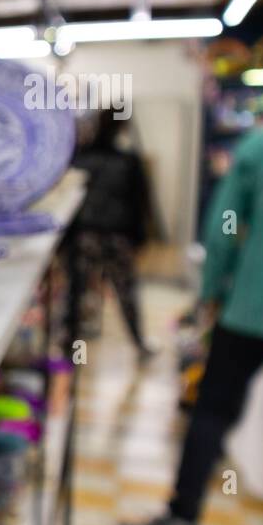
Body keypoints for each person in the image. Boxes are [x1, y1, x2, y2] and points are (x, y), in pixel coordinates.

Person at [121, 121, 263, 525]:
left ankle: (182, 520)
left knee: (212, 410)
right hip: (255, 303)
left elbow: (224, 227)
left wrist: (210, 292)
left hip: (254, 305)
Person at [66, 113, 154, 358]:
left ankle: (68, 349)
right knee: (125, 292)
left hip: (87, 234)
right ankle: (139, 344)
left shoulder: (81, 159)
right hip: (115, 235)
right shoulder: (127, 161)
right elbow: (141, 203)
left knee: (77, 294)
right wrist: (140, 237)